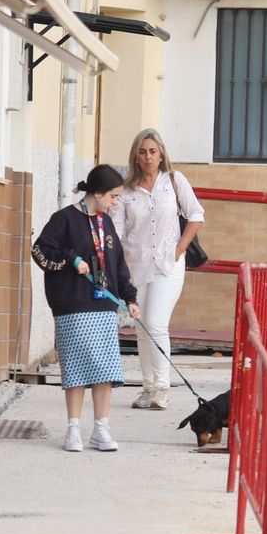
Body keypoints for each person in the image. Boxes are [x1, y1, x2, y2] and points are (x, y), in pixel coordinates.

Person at [31, 164, 142, 453]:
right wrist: (70, 259)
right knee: (77, 370)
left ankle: (101, 429)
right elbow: (40, 250)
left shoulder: (105, 224)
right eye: (113, 196)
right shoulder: (64, 219)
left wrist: (130, 298)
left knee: (105, 369)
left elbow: (118, 265)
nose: (115, 202)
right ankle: (73, 429)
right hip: (72, 306)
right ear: (97, 192)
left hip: (103, 305)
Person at [112, 128, 205, 410]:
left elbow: (196, 215)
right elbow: (115, 231)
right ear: (136, 156)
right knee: (141, 327)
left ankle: (162, 387)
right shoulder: (127, 191)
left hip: (168, 263)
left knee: (155, 322)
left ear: (161, 153)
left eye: (153, 151)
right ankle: (148, 387)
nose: (148, 157)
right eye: (143, 152)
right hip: (136, 265)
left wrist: (179, 250)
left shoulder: (174, 181)